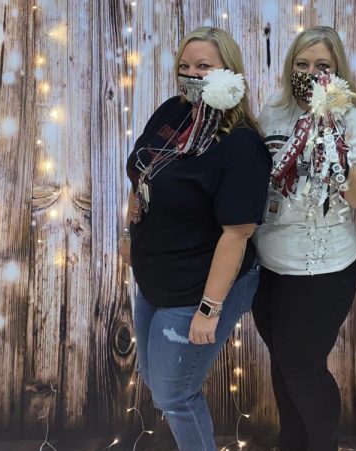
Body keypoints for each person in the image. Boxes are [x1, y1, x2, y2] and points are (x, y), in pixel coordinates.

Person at [121, 27, 271, 451]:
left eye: (203, 67)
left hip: (199, 287)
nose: (191, 75)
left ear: (230, 74)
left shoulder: (241, 146)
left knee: (175, 394)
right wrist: (128, 230)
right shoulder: (174, 111)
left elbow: (237, 232)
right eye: (185, 66)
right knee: (157, 381)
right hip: (155, 276)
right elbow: (142, 173)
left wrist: (209, 309)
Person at [252, 26, 356, 451]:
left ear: (338, 71)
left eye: (322, 66)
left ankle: (323, 444)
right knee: (284, 364)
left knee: (303, 368)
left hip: (322, 266)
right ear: (290, 67)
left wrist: (336, 157)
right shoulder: (273, 111)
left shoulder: (355, 121)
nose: (311, 73)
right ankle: (291, 442)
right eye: (302, 64)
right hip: (269, 262)